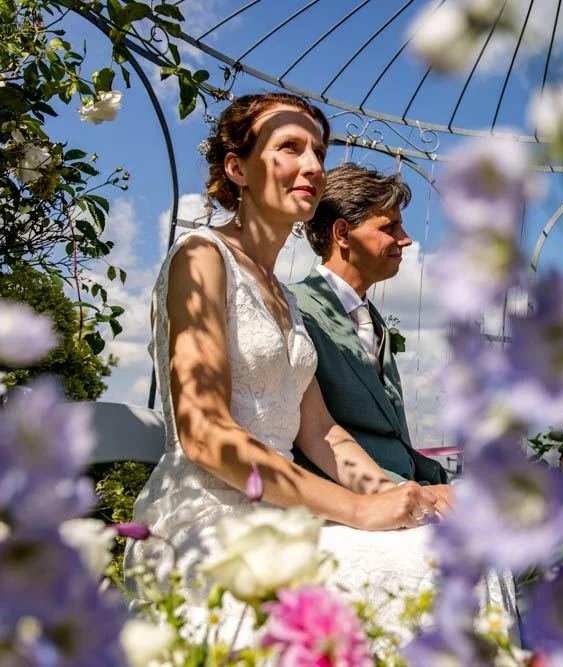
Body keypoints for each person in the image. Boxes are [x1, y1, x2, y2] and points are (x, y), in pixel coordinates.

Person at [124, 92, 515, 645]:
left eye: (318, 151)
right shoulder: (201, 256)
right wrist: (357, 508)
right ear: (238, 168)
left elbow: (322, 431)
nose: (312, 165)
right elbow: (206, 434)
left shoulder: (283, 296)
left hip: (287, 515)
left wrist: (411, 498)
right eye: (290, 147)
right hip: (213, 518)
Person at [288, 163, 449, 487]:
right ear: (342, 234)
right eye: (390, 228)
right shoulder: (296, 311)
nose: (405, 240)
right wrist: (404, 491)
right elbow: (304, 441)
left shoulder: (373, 321)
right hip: (351, 503)